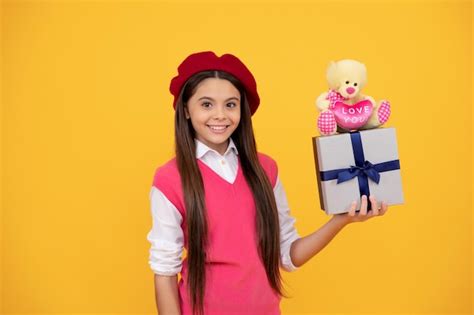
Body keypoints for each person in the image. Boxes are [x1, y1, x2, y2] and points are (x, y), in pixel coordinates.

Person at [146, 51, 389, 315]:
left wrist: (341, 220)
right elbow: (165, 273)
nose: (220, 115)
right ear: (186, 110)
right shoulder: (170, 179)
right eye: (206, 104)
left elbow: (288, 255)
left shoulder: (265, 169)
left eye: (230, 104)